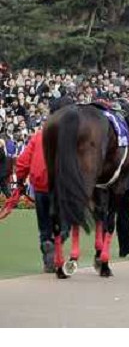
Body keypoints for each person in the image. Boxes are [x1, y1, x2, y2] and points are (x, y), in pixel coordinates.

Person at [14, 96, 72, 272]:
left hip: (39, 187)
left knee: (44, 225)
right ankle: (58, 240)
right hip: (62, 187)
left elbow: (23, 162)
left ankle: (48, 249)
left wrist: (21, 182)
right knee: (65, 224)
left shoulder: (39, 135)